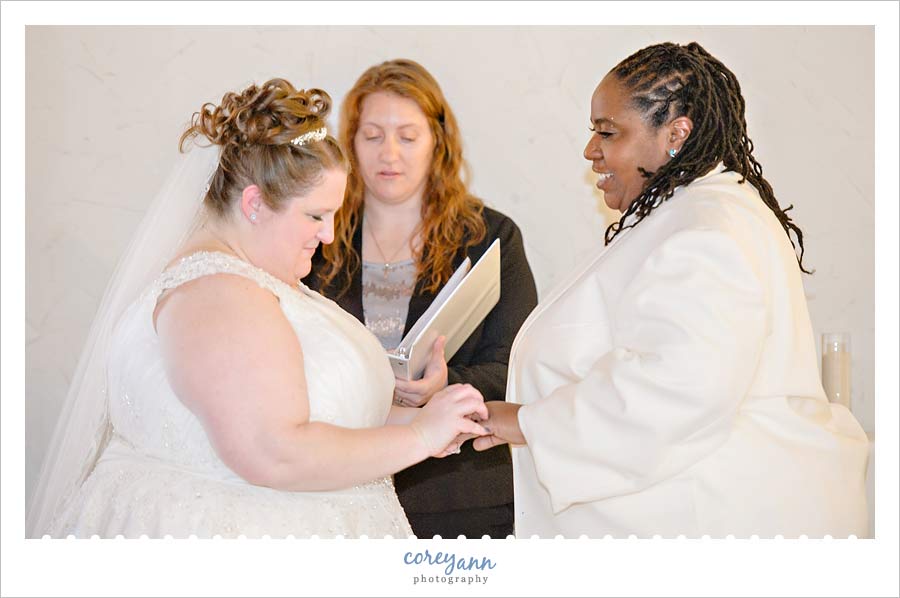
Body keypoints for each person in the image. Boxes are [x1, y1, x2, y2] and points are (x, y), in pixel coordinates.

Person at [26, 78, 489, 539]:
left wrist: (430, 423)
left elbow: (314, 417)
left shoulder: (252, 279)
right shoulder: (216, 296)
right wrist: (417, 438)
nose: (329, 236)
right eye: (315, 215)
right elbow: (272, 450)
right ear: (254, 203)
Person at [474, 42, 870, 538]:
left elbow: (674, 389)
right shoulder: (684, 215)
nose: (591, 150)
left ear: (675, 134)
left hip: (713, 523)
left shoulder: (707, 232)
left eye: (608, 132)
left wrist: (527, 422)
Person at [306, 59, 538, 539]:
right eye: (372, 135)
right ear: (350, 142)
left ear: (438, 141)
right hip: (336, 486)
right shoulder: (318, 236)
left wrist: (445, 384)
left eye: (407, 136)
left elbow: (517, 366)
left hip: (458, 495)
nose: (389, 153)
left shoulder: (489, 238)